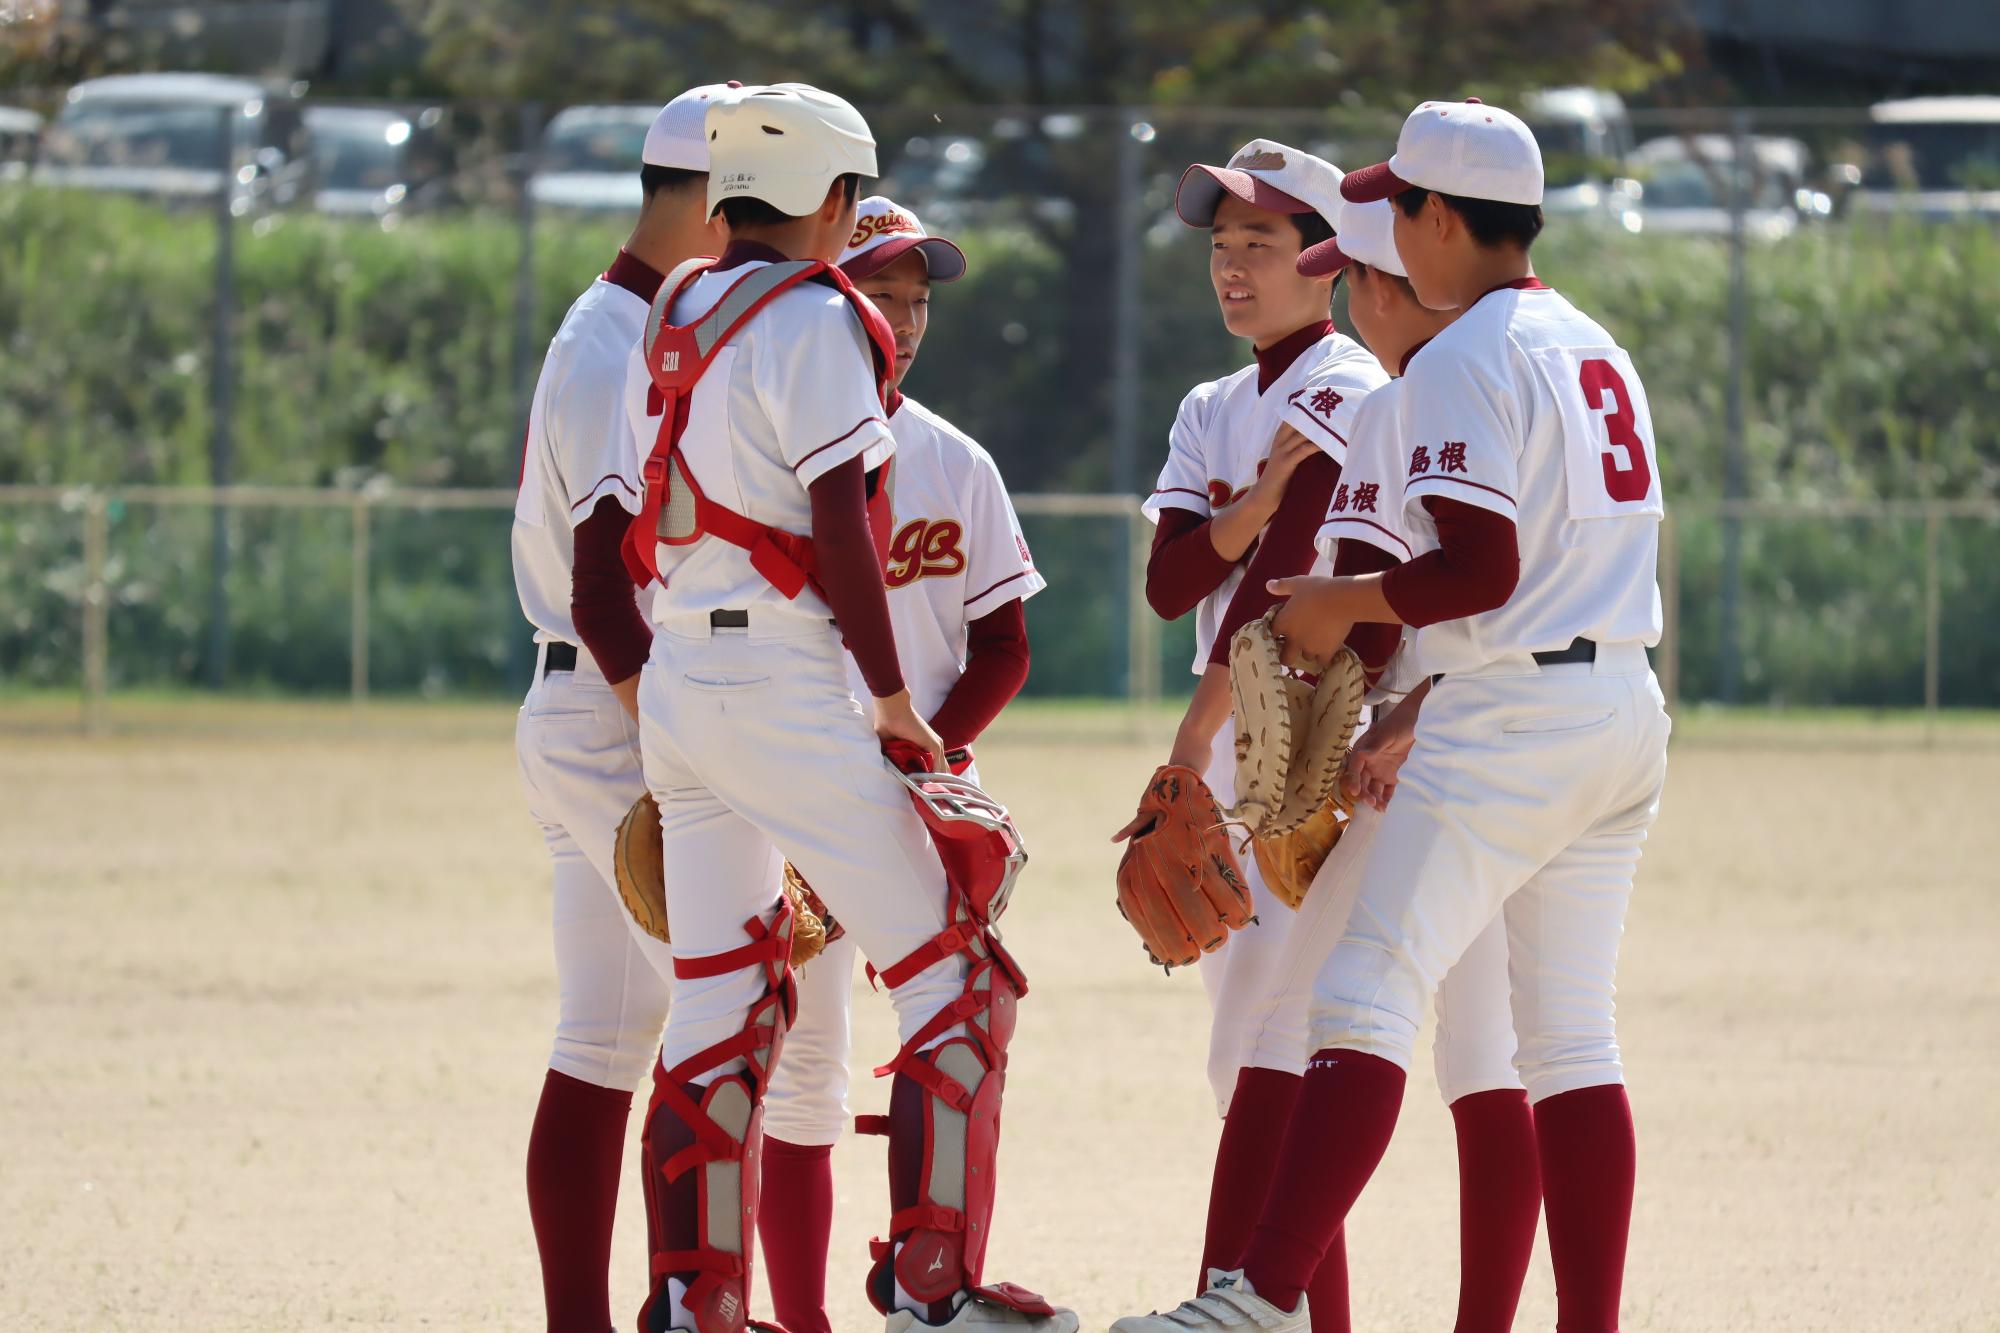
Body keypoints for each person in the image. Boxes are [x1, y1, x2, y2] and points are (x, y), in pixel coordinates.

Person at [1111, 97, 1671, 1333]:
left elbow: (1477, 571)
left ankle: (1256, 1297)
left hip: (1509, 712)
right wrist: (1398, 690)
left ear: (1434, 220)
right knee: (1567, 1038)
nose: (1378, 268)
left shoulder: (1466, 355)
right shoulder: (1588, 340)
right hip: (1616, 700)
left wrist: (1333, 611)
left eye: (1395, 217)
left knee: (1361, 995)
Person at [620, 83, 1076, 1333]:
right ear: (829, 198)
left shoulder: (678, 303)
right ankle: (935, 1289)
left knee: (721, 996)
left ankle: (690, 1297)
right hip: (786, 680)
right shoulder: (818, 313)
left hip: (681, 682)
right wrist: (890, 700)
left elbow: (628, 525)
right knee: (957, 978)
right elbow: (835, 524)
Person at [757, 194, 1047, 1333]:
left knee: (960, 1027)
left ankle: (931, 1285)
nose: (906, 318)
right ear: (831, 297)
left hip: (908, 802)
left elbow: (1005, 641)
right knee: (802, 1065)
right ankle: (794, 1315)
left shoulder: (952, 460)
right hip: (785, 793)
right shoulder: (771, 447)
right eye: (882, 292)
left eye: (918, 299)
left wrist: (940, 753)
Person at [1115, 138, 1388, 1325]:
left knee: (1267, 1044)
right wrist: (1250, 500)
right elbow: (1169, 582)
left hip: (1303, 736)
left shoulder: (1347, 384)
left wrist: (1189, 738)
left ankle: (1227, 1303)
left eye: (1260, 247)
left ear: (1320, 261)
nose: (1231, 269)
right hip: (1237, 732)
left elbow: (1278, 579)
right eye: (1221, 248)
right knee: (1247, 1055)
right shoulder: (1210, 406)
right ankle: (1277, 1308)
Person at [508, 81, 734, 1333]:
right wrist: (673, 732)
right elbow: (604, 584)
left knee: (606, 1030)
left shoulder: (624, 325)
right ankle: (688, 1305)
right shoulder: (614, 343)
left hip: (580, 705)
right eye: (748, 206)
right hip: (612, 705)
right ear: (702, 202)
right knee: (732, 1006)